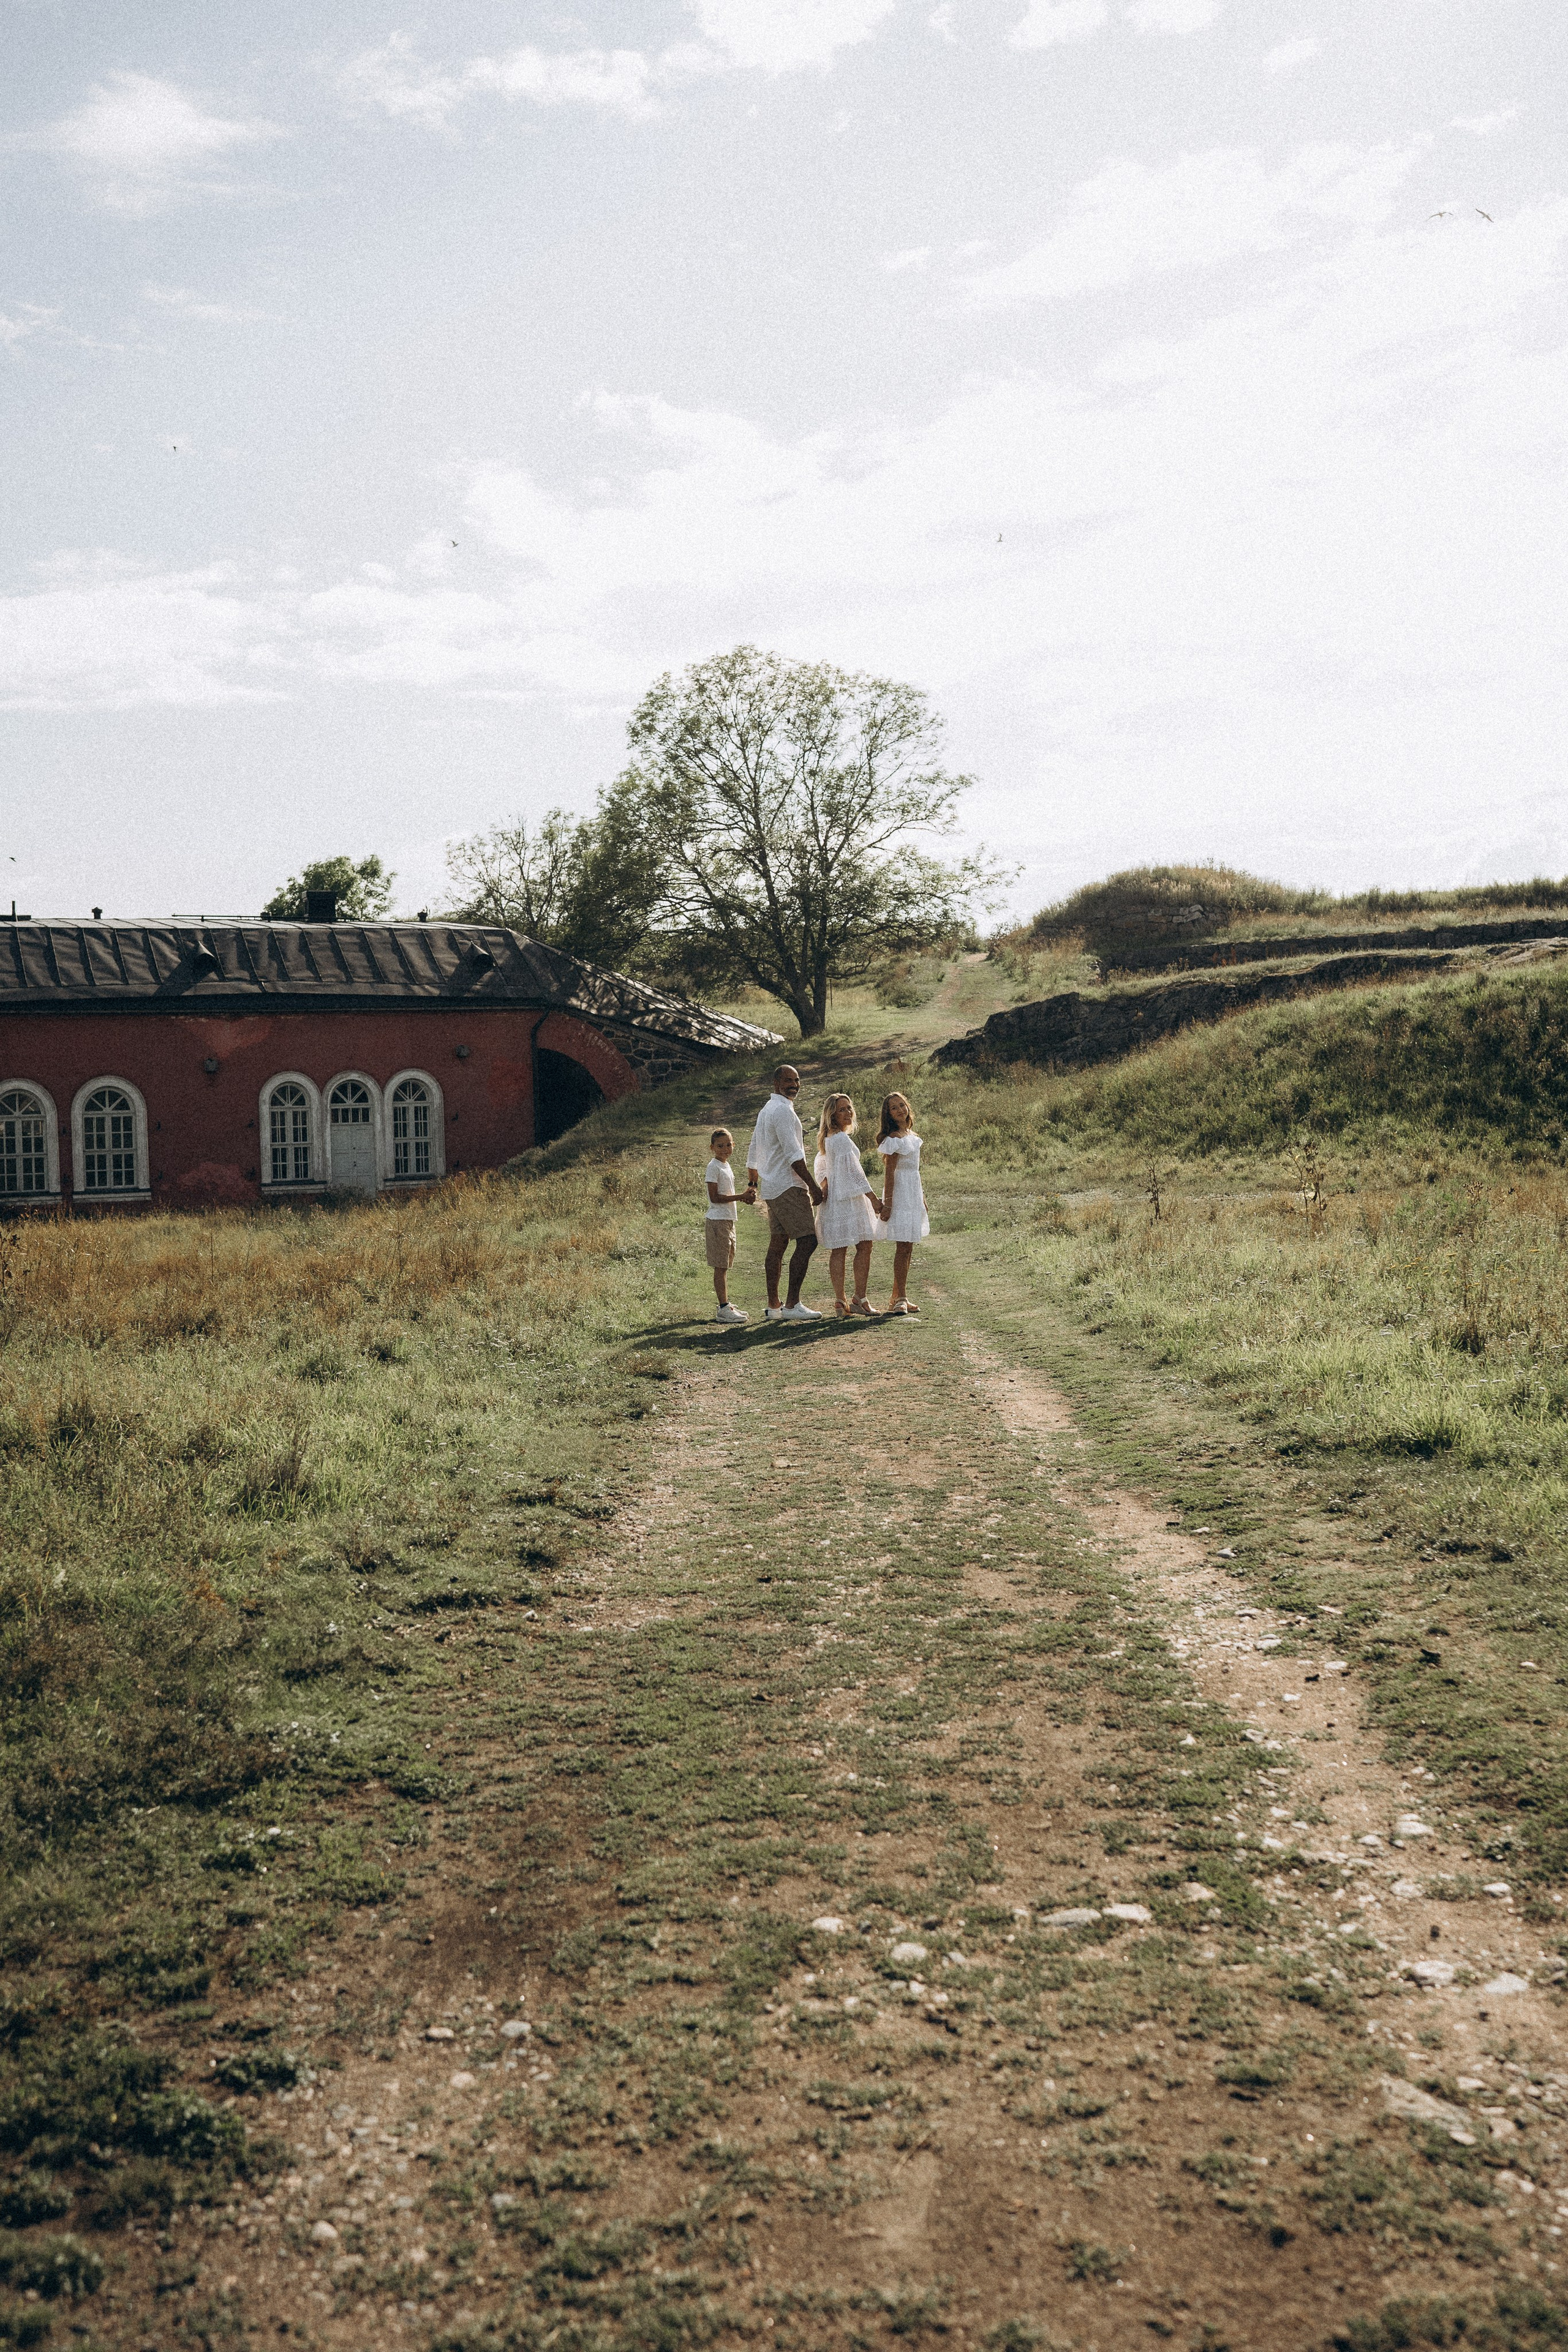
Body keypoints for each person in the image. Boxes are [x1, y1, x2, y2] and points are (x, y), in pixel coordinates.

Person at [745, 1064, 825, 1322]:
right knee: (808, 1240)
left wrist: (754, 1182)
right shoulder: (780, 1110)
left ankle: (774, 1306)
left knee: (779, 1243)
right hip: (788, 1185)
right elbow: (794, 1155)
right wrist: (812, 1186)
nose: (794, 1085)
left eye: (797, 1080)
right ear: (776, 1083)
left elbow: (754, 1150)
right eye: (789, 1081)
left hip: (773, 1187)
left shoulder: (768, 1109)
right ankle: (792, 1305)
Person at [813, 1094, 878, 1318]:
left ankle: (840, 1301)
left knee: (839, 1249)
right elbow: (855, 1172)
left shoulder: (828, 1137)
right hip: (849, 1199)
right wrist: (873, 1199)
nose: (848, 1113)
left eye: (849, 1108)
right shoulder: (840, 1138)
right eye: (842, 1110)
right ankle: (860, 1298)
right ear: (832, 1115)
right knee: (864, 1245)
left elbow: (821, 1163)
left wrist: (825, 1184)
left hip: (835, 1199)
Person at [876, 1090, 929, 1317]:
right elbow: (890, 1172)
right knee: (903, 1246)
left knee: (909, 1246)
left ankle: (897, 1297)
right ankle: (901, 1299)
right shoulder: (895, 1138)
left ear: (908, 1107)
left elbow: (916, 1171)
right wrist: (888, 1203)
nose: (899, 1110)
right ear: (888, 1114)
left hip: (913, 1193)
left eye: (902, 1105)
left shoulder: (912, 1136)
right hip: (900, 1194)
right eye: (894, 1108)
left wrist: (922, 1199)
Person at [704, 1127, 755, 1324]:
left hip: (728, 1220)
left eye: (728, 1145)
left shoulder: (726, 1165)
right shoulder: (713, 1167)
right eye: (720, 1146)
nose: (725, 1149)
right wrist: (741, 1196)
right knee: (720, 1266)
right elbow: (715, 1197)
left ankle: (726, 1305)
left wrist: (745, 1197)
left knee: (725, 1265)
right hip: (718, 1221)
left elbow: (729, 1194)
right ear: (712, 1148)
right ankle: (724, 1308)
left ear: (733, 1145)